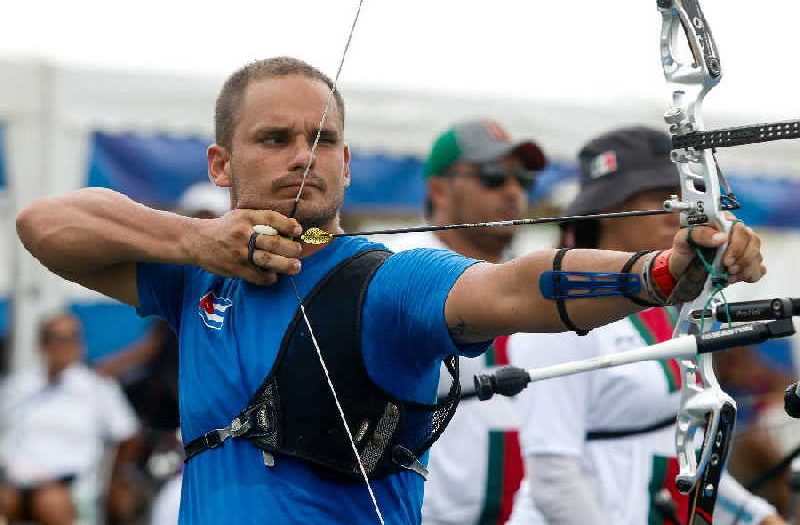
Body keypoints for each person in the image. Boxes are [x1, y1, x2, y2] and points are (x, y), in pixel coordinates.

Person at [15, 57, 766, 525]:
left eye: (324, 140)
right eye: (273, 139)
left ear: (347, 161)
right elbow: (43, 223)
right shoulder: (194, 275)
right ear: (221, 162)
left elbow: (512, 287)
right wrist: (197, 239)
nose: (303, 158)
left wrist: (660, 273)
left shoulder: (387, 278)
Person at [506, 126, 784, 525]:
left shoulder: (667, 308)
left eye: (689, 196)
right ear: (606, 210)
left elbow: (679, 457)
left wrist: (756, 517)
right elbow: (554, 479)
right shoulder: (560, 311)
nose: (682, 211)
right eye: (662, 197)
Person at [383, 118, 546, 524]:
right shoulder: (394, 265)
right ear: (438, 189)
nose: (512, 192)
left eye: (522, 180)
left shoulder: (526, 280)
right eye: (493, 177)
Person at [0, 311, 140, 525]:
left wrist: (115, 480)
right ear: (42, 343)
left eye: (71, 338)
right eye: (56, 338)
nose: (64, 345)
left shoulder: (97, 387)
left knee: (50, 503)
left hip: (69, 488)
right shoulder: (20, 386)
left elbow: (128, 435)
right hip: (16, 485)